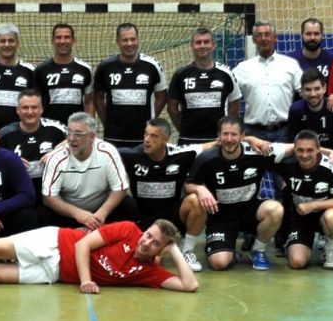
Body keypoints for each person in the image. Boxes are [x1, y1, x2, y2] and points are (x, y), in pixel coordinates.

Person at [0, 219, 198, 293]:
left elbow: (189, 286)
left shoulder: (150, 273)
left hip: (54, 274)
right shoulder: (128, 229)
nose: (146, 242)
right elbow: (83, 246)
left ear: (160, 249)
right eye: (149, 235)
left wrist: (175, 249)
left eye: (155, 243)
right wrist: (85, 281)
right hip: (55, 242)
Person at [182, 116, 293, 271]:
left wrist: (328, 152)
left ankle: (257, 251)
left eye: (234, 134)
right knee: (219, 263)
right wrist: (200, 189)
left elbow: (297, 148)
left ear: (242, 137)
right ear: (218, 137)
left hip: (250, 212)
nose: (229, 139)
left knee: (275, 209)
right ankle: (230, 252)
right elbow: (189, 185)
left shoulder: (258, 152)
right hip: (220, 217)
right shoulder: (206, 159)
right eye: (225, 134)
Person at [117, 117, 209, 272]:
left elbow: (216, 144)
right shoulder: (132, 155)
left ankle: (186, 250)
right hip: (143, 219)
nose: (147, 140)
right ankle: (162, 246)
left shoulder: (181, 154)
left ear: (166, 139)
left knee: (196, 200)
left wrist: (248, 139)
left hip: (172, 218)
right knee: (155, 261)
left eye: (153, 136)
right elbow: (102, 148)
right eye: (146, 134)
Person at [287, 69, 333, 260]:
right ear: (301, 91)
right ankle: (285, 238)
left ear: (325, 88)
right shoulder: (296, 110)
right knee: (287, 193)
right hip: (305, 161)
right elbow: (291, 143)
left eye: (317, 89)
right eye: (308, 90)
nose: (313, 94)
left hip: (332, 165)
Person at [40, 112, 138, 228]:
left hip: (100, 211)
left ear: (92, 137)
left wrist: (101, 214)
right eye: (69, 133)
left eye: (78, 134)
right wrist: (78, 214)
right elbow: (49, 197)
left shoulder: (108, 152)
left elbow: (120, 188)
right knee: (44, 214)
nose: (71, 139)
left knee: (128, 205)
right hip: (70, 213)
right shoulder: (56, 158)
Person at [274, 130, 333, 270]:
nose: (304, 155)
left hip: (325, 213)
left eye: (309, 150)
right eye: (300, 150)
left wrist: (312, 205)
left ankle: (330, 247)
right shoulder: (287, 162)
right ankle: (293, 242)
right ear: (294, 149)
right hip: (300, 217)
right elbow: (263, 148)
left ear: (318, 150)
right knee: (297, 263)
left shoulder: (332, 166)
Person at [93, 23, 167, 149]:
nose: (129, 44)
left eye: (133, 39)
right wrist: (108, 123)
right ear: (118, 42)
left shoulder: (152, 66)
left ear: (138, 40)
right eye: (125, 40)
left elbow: (162, 96)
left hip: (144, 136)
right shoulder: (105, 67)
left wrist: (151, 118)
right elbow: (98, 98)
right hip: (114, 136)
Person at [232, 20, 303, 144]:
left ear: (275, 37)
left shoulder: (290, 65)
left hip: (285, 131)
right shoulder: (242, 68)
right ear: (254, 40)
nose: (263, 38)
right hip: (253, 133)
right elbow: (229, 95)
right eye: (259, 35)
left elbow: (306, 92)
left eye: (267, 34)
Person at [167, 27, 241, 145]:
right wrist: (183, 129)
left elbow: (235, 106)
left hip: (217, 140)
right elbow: (172, 108)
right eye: (198, 42)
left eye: (206, 42)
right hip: (188, 140)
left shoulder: (226, 74)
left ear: (213, 45)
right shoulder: (180, 74)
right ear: (191, 46)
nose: (202, 46)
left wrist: (224, 131)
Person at [0, 89, 68, 199]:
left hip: (51, 193)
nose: (30, 112)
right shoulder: (5, 133)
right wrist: (10, 160)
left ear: (41, 109)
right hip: (18, 194)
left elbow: (80, 137)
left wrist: (57, 152)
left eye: (34, 107)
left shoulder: (56, 129)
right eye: (25, 108)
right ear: (18, 110)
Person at [34, 22, 95, 122]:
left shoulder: (85, 69)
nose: (62, 41)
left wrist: (90, 126)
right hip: (50, 130)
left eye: (67, 37)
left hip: (76, 129)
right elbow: (35, 103)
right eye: (58, 37)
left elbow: (89, 101)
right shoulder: (41, 70)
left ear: (73, 41)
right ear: (52, 41)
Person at [288, 17, 333, 81]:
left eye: (316, 34)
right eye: (308, 34)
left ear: (322, 35)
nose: (312, 38)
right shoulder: (289, 60)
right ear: (302, 35)